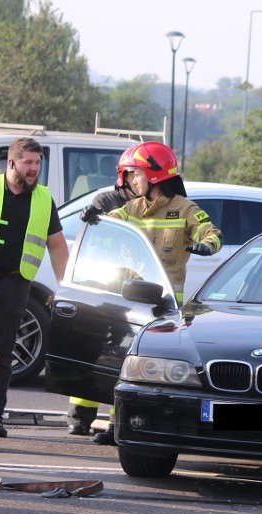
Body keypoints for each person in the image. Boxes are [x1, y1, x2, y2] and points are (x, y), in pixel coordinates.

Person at [91, 140, 223, 445]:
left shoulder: (184, 209)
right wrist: (93, 217)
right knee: (123, 364)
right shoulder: (132, 208)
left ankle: (153, 426)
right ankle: (117, 426)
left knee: (154, 370)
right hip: (130, 302)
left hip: (164, 308)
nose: (129, 181)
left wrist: (206, 246)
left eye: (134, 174)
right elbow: (107, 227)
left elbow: (212, 233)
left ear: (152, 175)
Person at [0, 138, 69, 438]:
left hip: (14, 286)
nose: (34, 169)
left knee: (1, 355)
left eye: (37, 163)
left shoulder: (44, 198)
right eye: (28, 163)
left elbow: (57, 246)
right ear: (12, 163)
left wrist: (66, 287)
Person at [66, 148, 137, 437]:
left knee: (121, 354)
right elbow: (97, 234)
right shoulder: (107, 200)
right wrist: (93, 215)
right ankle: (79, 417)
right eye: (135, 175)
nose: (140, 181)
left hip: (133, 287)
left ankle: (114, 420)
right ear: (124, 177)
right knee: (90, 349)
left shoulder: (152, 204)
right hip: (102, 282)